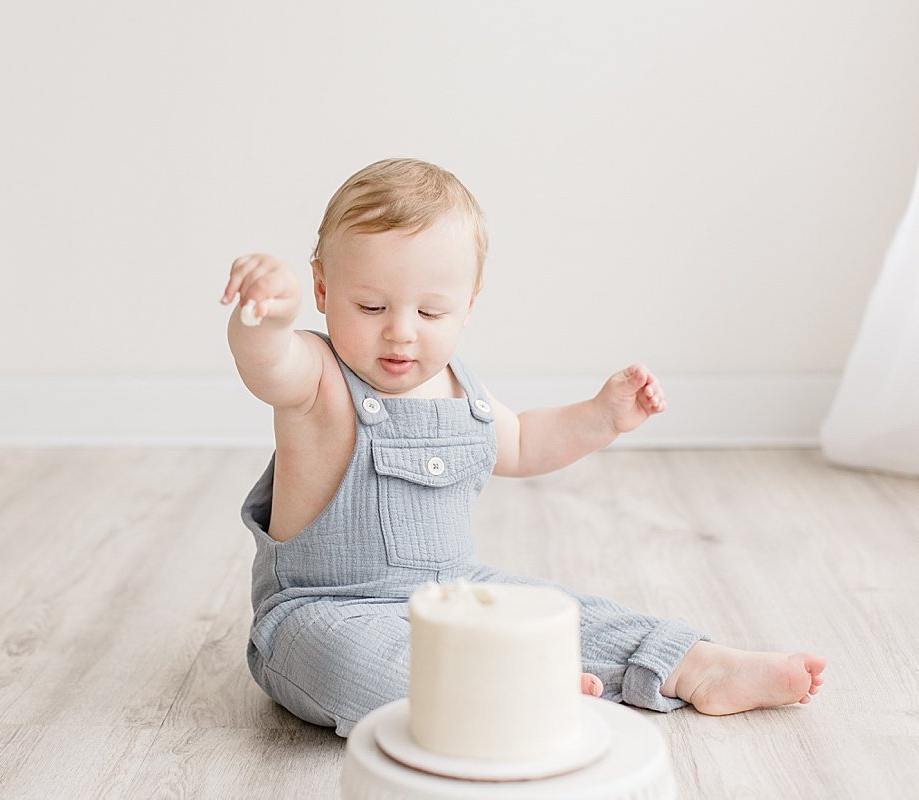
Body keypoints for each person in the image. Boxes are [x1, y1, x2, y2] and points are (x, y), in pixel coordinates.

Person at [220, 157, 826, 738]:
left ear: (470, 304)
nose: (401, 329)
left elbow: (526, 442)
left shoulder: (462, 389)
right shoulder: (316, 378)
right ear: (324, 291)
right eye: (371, 306)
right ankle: (504, 693)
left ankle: (695, 664)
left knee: (559, 612)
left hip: (452, 594)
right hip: (326, 609)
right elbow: (265, 363)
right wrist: (265, 317)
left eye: (432, 310)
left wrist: (600, 417)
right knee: (345, 662)